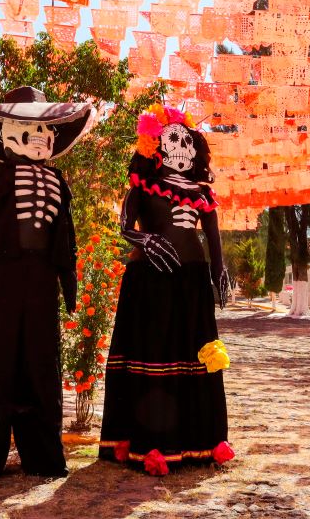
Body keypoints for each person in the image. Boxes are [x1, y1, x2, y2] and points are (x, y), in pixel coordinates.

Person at [0, 87, 96, 483]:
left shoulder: (59, 181)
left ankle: (43, 456)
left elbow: (66, 234)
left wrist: (68, 280)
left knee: (41, 364)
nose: (41, 135)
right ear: (7, 133)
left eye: (45, 127)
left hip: (41, 283)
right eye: (30, 127)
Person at [98, 104, 234, 476]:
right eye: (173, 139)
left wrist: (219, 270)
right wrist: (145, 239)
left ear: (196, 151)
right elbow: (124, 227)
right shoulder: (142, 186)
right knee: (155, 354)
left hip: (193, 283)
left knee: (198, 356)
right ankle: (150, 442)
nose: (181, 149)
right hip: (151, 280)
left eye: (188, 142)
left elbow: (213, 238)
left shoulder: (203, 195)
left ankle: (204, 441)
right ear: (154, 145)